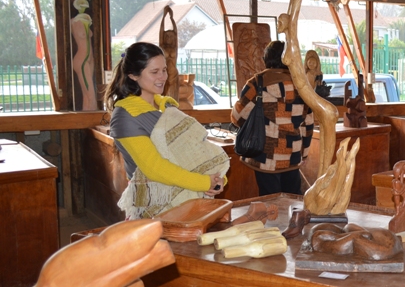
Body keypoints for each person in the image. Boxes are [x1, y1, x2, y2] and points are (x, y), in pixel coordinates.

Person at [105, 42, 225, 201]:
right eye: (154, 72)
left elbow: (195, 151)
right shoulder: (125, 116)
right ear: (133, 75)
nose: (163, 77)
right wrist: (204, 183)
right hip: (153, 202)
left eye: (164, 70)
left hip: (187, 197)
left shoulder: (167, 106)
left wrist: (217, 179)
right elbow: (154, 168)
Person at [232, 40, 314, 196]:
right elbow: (308, 124)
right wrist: (303, 155)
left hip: (265, 156)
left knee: (270, 203)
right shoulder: (302, 86)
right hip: (292, 156)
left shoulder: (257, 83)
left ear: (267, 58)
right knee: (293, 202)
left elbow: (238, 116)